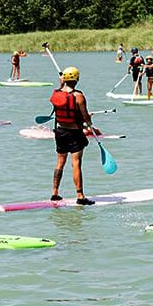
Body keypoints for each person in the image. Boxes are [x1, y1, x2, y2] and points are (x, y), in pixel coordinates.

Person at [49, 66, 95, 205]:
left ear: (64, 79)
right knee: (76, 163)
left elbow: (62, 93)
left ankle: (55, 193)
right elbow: (85, 116)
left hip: (60, 132)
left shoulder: (56, 94)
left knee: (60, 162)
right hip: (74, 133)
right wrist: (89, 122)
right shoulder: (78, 96)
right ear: (77, 79)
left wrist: (61, 83)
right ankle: (80, 196)